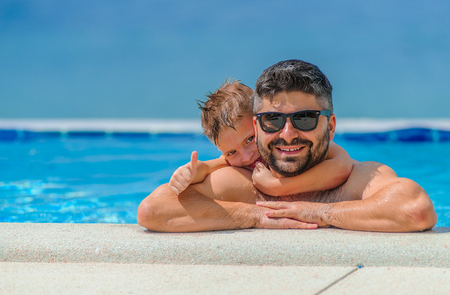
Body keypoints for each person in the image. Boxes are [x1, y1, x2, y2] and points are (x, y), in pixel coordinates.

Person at [137, 59, 437, 233]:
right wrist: (255, 216)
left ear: (330, 127)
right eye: (272, 120)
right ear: (256, 125)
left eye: (305, 118)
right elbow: (154, 210)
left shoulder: (356, 178)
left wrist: (318, 212)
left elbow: (415, 209)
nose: (288, 133)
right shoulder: (242, 181)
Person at [168, 80, 353, 197]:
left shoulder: (291, 147)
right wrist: (189, 174)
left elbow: (343, 164)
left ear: (263, 123)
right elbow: (209, 166)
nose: (246, 157)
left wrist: (279, 187)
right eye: (232, 152)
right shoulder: (234, 161)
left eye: (249, 139)